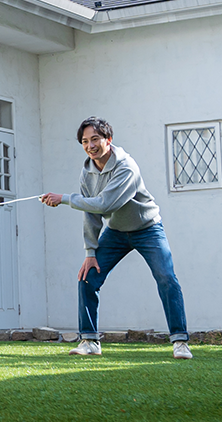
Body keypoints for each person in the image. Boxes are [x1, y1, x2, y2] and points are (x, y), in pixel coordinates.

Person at [41, 117, 192, 359]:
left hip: (147, 228)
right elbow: (90, 212)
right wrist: (90, 253)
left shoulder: (126, 166)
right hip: (117, 231)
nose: (90, 146)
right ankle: (89, 341)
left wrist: (65, 198)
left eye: (95, 139)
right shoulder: (87, 171)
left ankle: (180, 342)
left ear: (108, 140)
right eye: (84, 141)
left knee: (166, 277)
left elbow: (105, 203)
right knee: (88, 277)